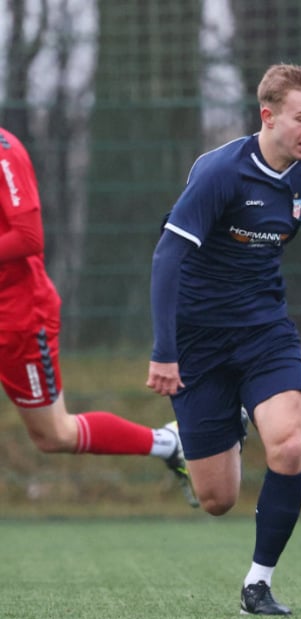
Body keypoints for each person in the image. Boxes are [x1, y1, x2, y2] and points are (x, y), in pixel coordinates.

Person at [146, 63, 301, 616]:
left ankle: (258, 583)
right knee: (217, 500)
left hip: (264, 332)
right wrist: (165, 351)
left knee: (291, 443)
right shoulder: (220, 173)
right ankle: (190, 443)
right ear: (268, 115)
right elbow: (168, 257)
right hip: (199, 340)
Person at [0, 126, 195, 506]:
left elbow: (28, 236)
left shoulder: (4, 151)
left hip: (17, 317)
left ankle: (169, 443)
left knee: (53, 435)